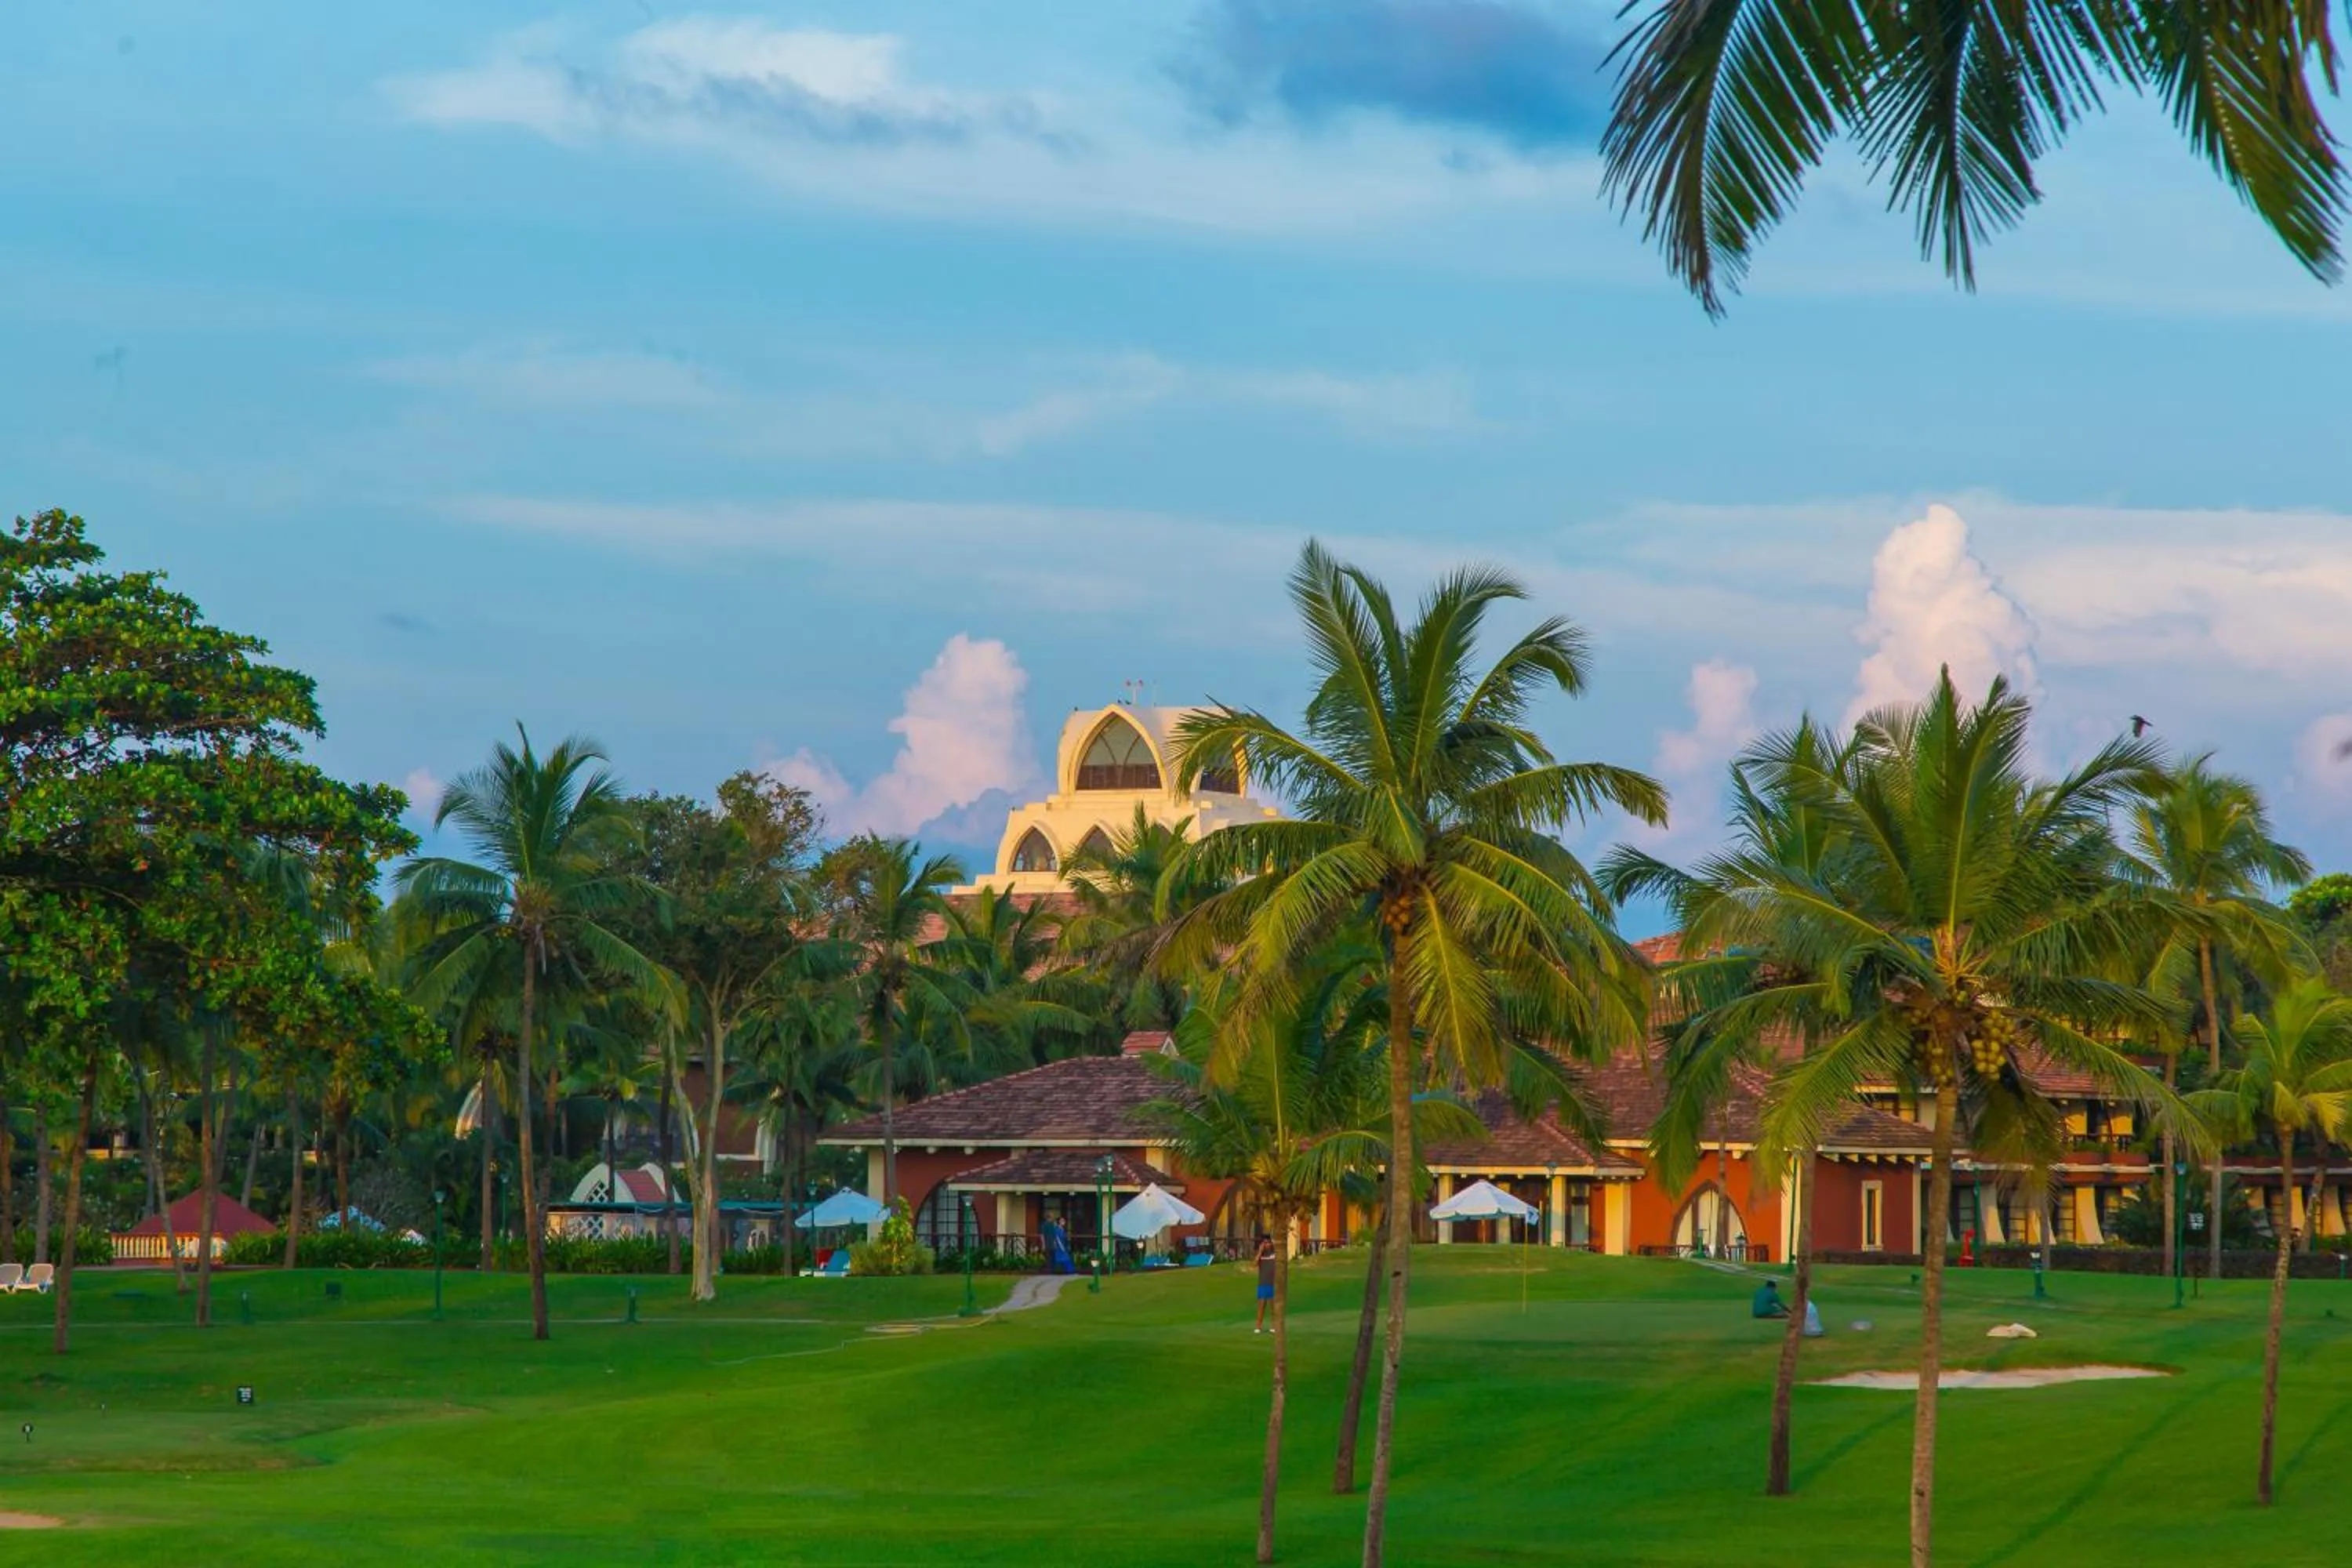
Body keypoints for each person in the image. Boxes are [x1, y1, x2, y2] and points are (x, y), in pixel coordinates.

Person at [1253, 1233, 1277, 1333]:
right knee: (1261, 1307)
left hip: (1273, 1284)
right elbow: (1254, 1264)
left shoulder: (1274, 1254)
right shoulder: (1261, 1255)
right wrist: (1260, 1251)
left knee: (1273, 1307)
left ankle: (1274, 1326)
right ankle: (1258, 1327)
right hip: (1263, 1284)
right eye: (1264, 1243)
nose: (1266, 1245)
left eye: (1268, 1243)